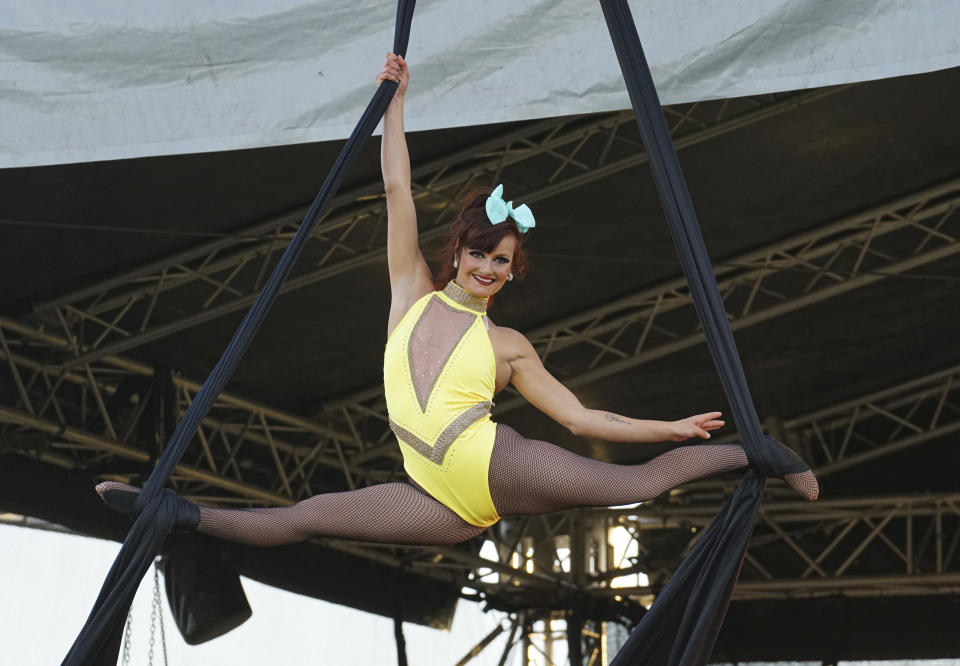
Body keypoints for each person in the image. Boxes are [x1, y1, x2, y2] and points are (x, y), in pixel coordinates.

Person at [96, 54, 817, 547]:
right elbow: (396, 190)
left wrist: (671, 426)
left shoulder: (508, 346)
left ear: (510, 272)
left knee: (632, 489)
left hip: (493, 464)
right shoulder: (409, 289)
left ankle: (757, 451)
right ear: (460, 252)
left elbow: (581, 415)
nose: (488, 269)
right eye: (480, 255)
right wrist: (396, 103)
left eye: (502, 263)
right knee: (311, 516)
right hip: (438, 500)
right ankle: (177, 513)